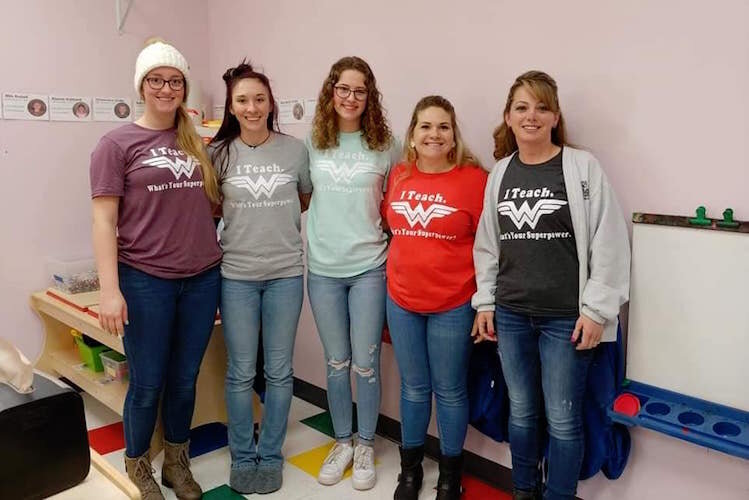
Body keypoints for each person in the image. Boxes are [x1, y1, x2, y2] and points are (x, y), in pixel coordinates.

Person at [472, 71, 630, 500]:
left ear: (556, 116)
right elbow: (488, 247)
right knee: (521, 414)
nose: (532, 116)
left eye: (542, 107)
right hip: (511, 315)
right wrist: (485, 303)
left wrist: (597, 310)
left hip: (567, 320)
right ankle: (524, 492)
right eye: (522, 107)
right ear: (508, 116)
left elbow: (610, 241)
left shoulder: (582, 167)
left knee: (563, 419)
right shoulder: (500, 173)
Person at [90, 39, 221, 500]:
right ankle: (138, 465)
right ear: (141, 86)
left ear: (184, 88)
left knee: (185, 379)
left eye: (175, 81)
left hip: (203, 278)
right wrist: (110, 290)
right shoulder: (116, 143)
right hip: (145, 281)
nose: (166, 88)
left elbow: (211, 206)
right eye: (156, 80)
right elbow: (104, 220)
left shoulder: (196, 140)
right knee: (147, 382)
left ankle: (177, 463)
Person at [209, 61, 312, 495]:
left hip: (286, 274)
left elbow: (302, 199)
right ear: (232, 107)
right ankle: (242, 454)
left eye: (259, 99)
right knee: (239, 371)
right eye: (243, 101)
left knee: (279, 370)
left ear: (271, 104)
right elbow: (213, 208)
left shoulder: (294, 150)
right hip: (236, 276)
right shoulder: (217, 154)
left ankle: (270, 454)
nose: (252, 107)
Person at [384, 95, 487, 500]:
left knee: (449, 390)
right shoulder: (399, 175)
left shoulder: (475, 179)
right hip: (402, 299)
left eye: (443, 126)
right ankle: (409, 472)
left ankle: (449, 475)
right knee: (412, 387)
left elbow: (489, 246)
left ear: (453, 134)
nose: (434, 134)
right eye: (425, 126)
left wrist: (486, 302)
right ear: (412, 135)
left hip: (453, 303)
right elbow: (391, 228)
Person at [306, 55, 399, 491]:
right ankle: (341, 440)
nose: (351, 97)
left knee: (365, 365)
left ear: (370, 96)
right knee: (336, 363)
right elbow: (304, 197)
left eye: (360, 90)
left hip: (368, 267)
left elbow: (401, 198)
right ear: (331, 91)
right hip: (323, 269)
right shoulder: (313, 141)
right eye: (343, 89)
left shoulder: (385, 145)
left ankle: (365, 444)